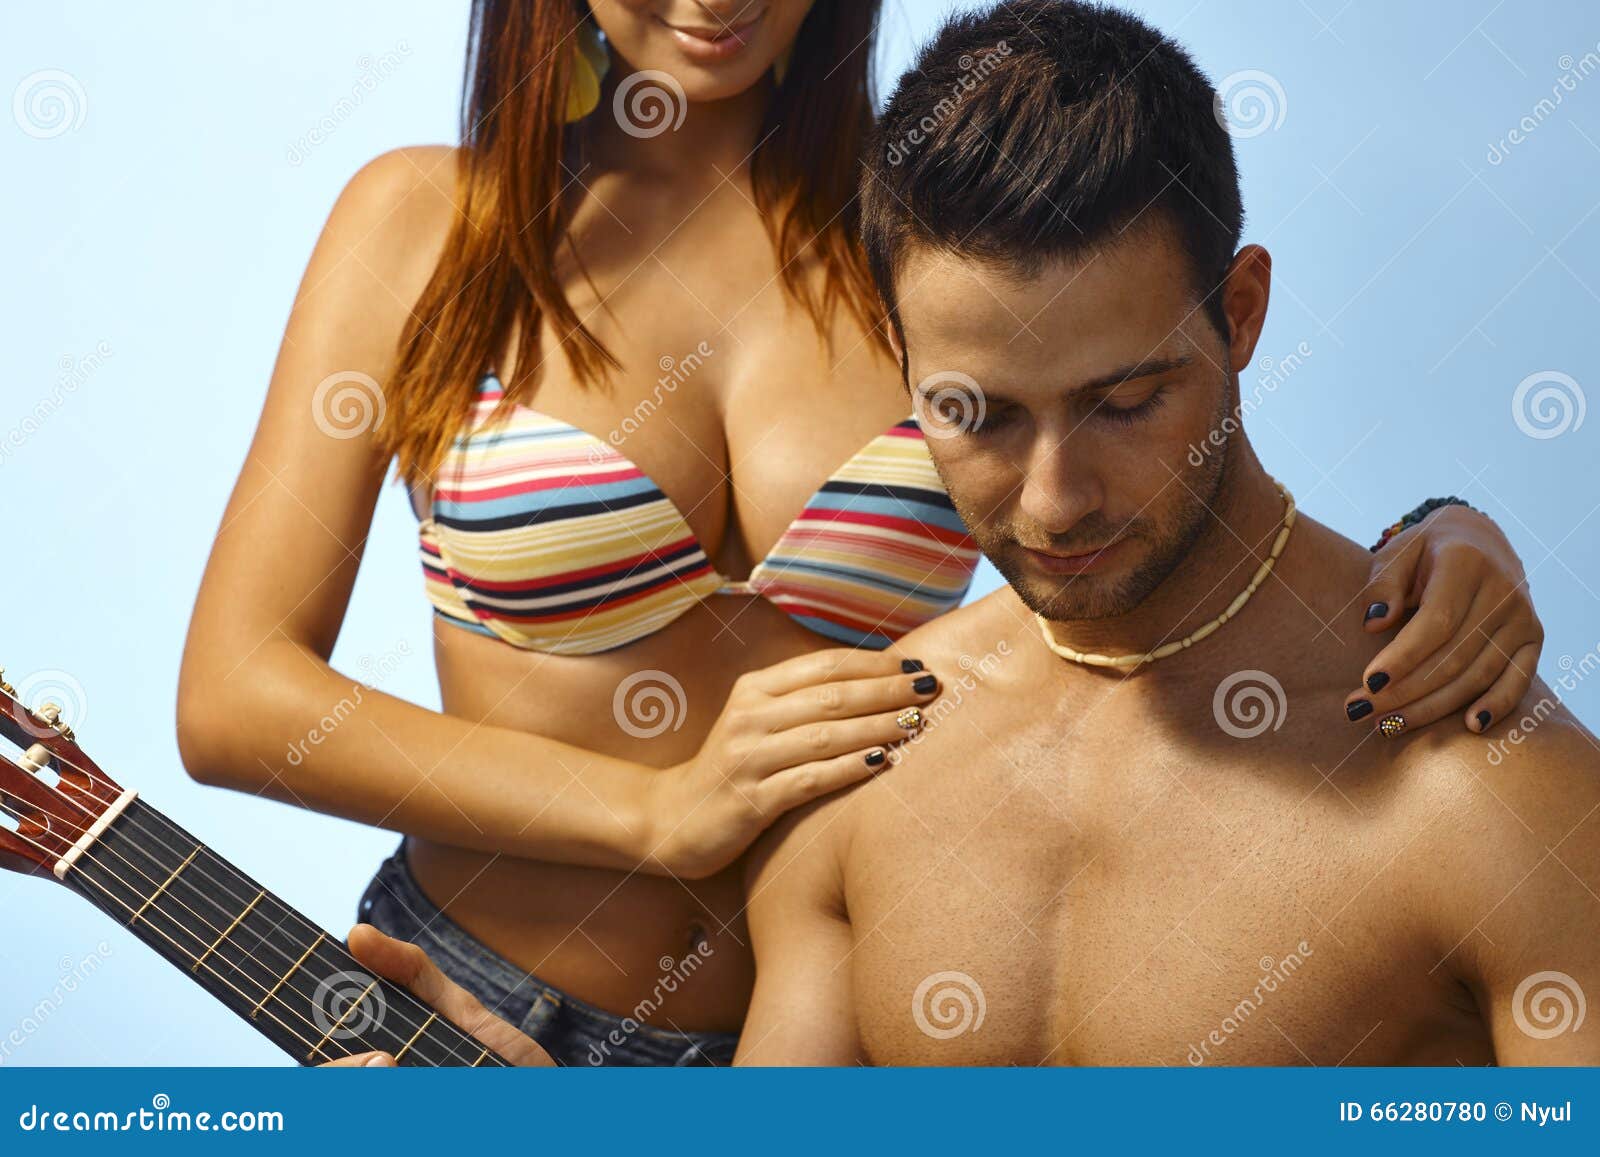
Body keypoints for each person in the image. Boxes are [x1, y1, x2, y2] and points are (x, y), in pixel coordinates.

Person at [181, 0, 1549, 1067]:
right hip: (457, 998)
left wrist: (1441, 529)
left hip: (828, 1030)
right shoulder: (432, 225)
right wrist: (657, 811)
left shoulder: (913, 242)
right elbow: (236, 696)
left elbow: (1149, 487)